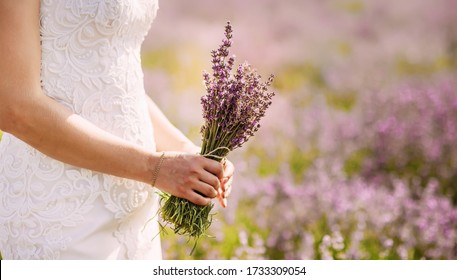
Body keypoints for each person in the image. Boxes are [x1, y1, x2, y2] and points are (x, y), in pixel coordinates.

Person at [0, 0, 234, 259]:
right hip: (60, 206)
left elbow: (118, 83)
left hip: (136, 205)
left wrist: (186, 152)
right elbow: (15, 106)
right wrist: (155, 167)